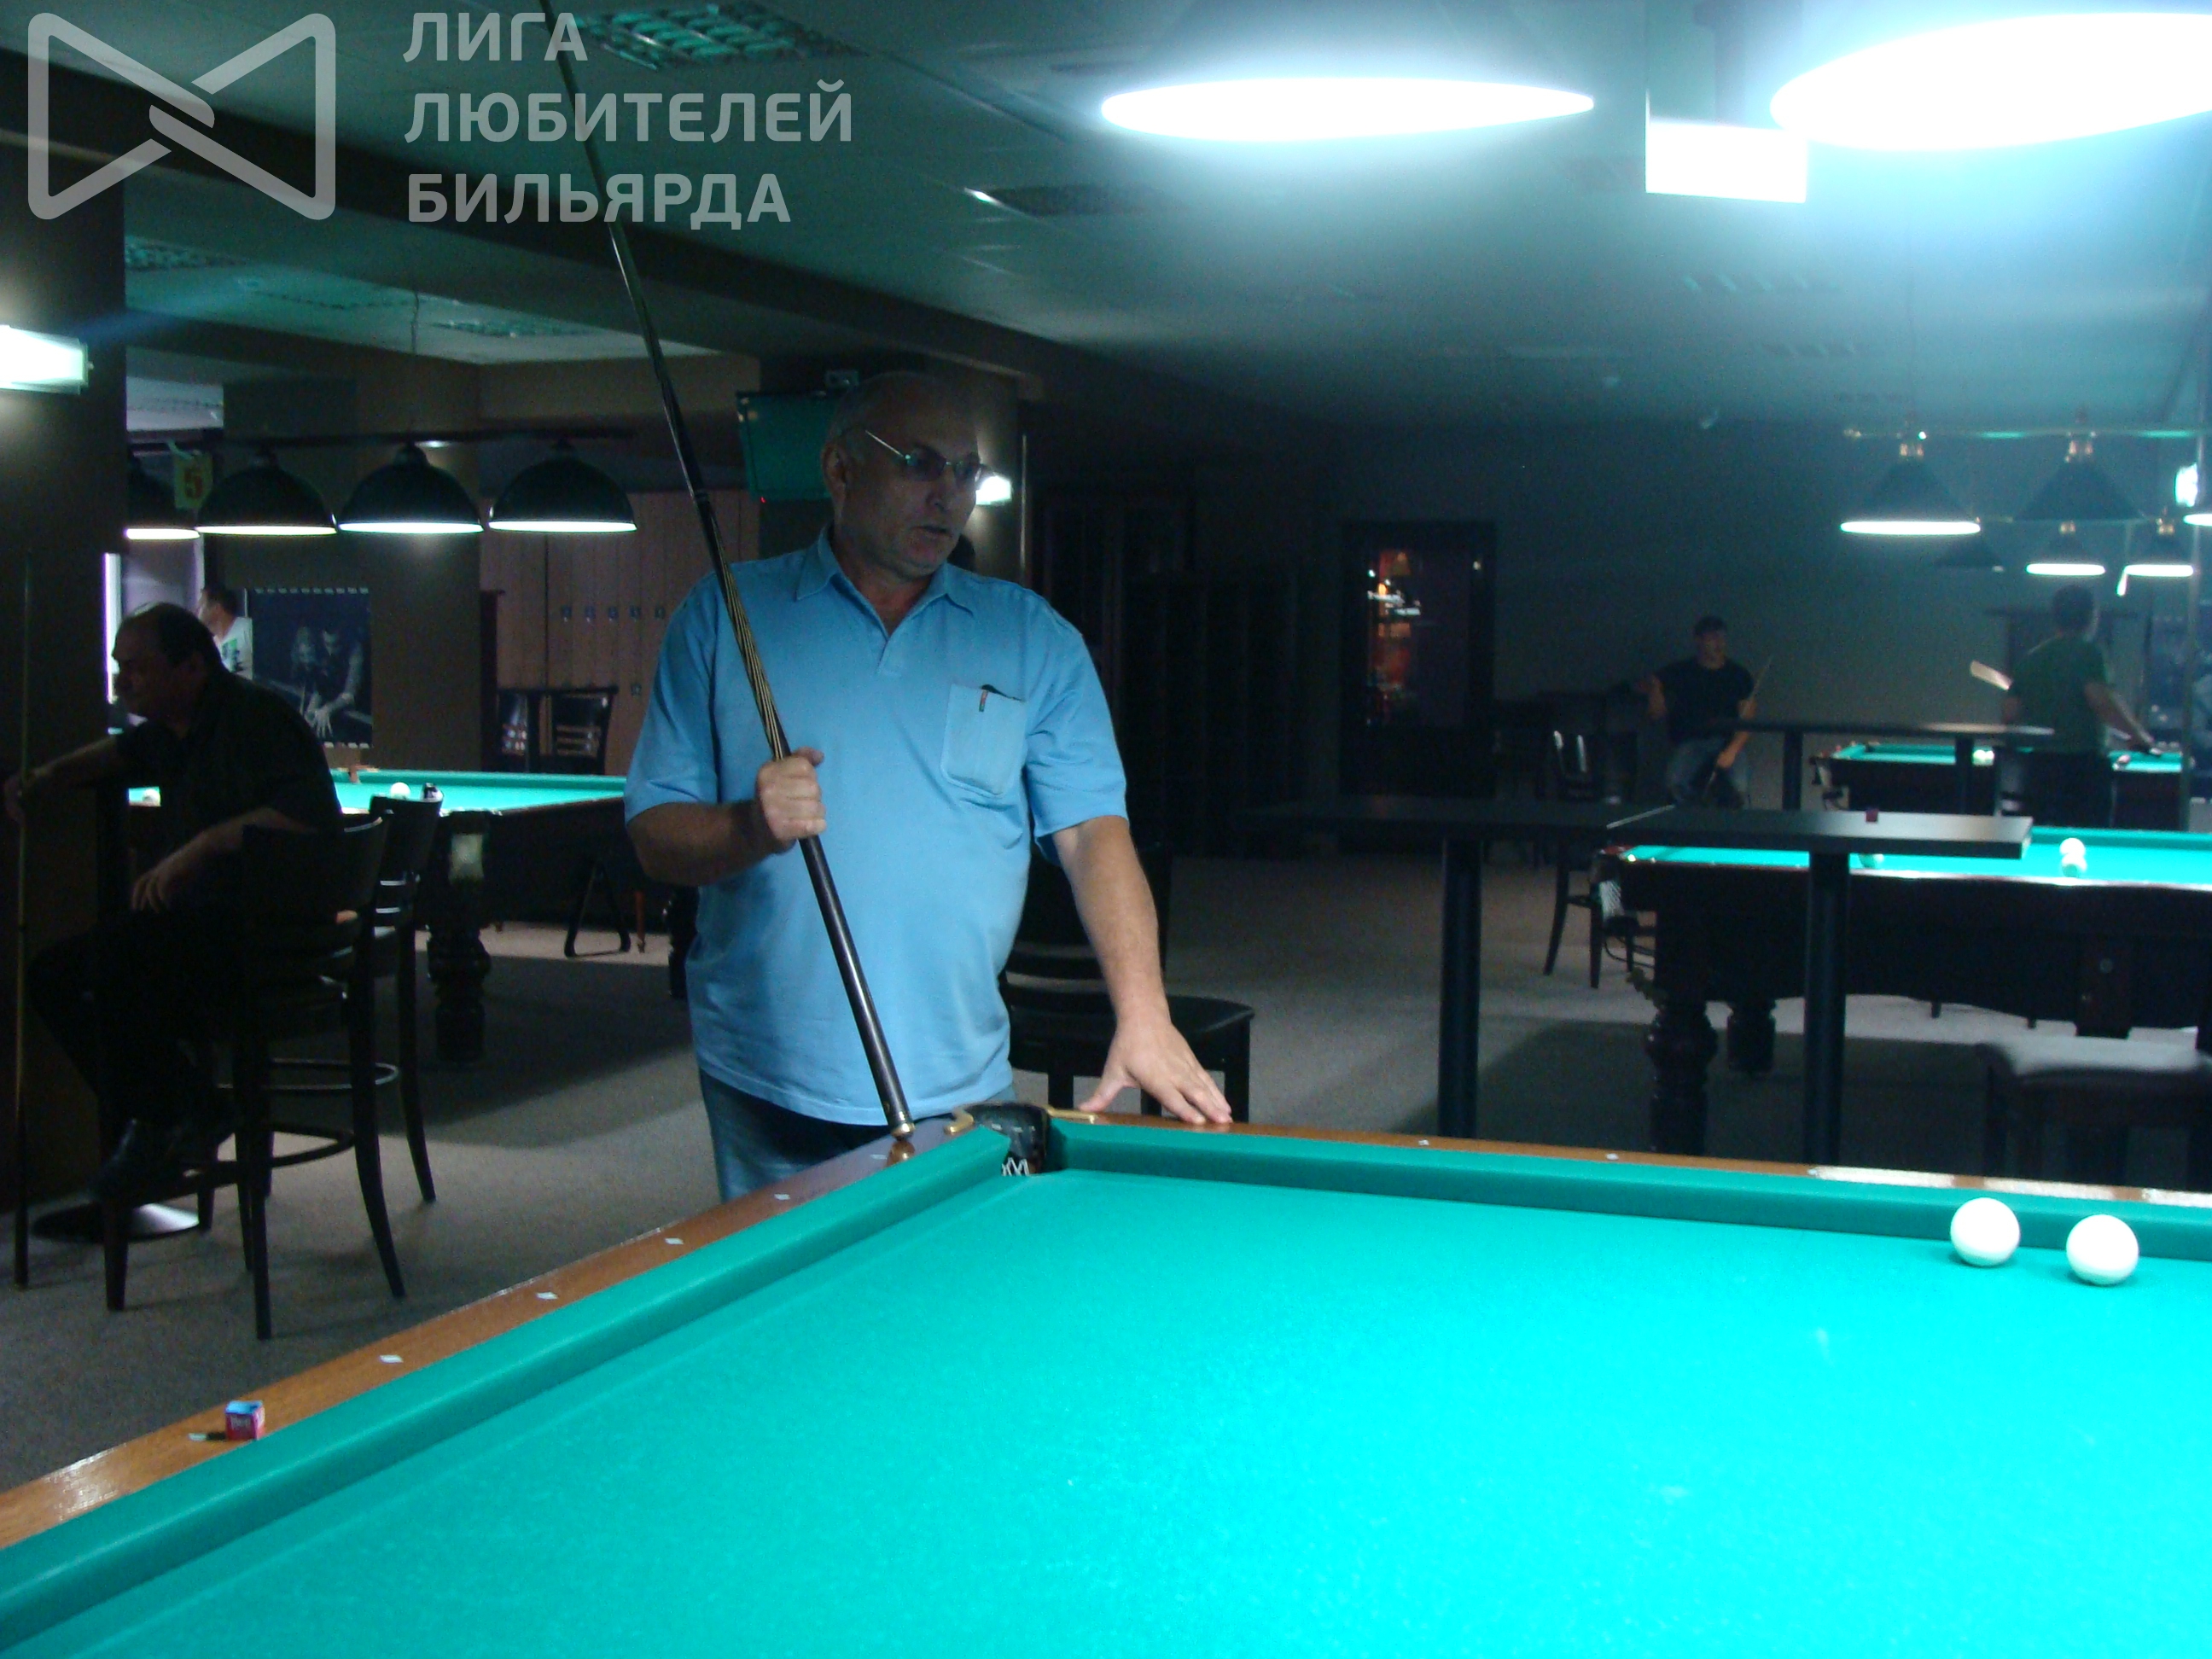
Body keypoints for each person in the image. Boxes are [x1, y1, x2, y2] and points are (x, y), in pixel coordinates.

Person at [626, 371, 1232, 1201]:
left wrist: (1145, 1011)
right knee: (799, 1283)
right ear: (841, 469)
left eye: (966, 471)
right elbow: (654, 833)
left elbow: (1094, 834)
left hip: (962, 1075)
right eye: (919, 463)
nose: (948, 494)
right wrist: (748, 827)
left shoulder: (1033, 639)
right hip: (768, 1075)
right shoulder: (724, 616)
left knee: (966, 1276)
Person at [6, 604, 340, 1202]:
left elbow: (311, 817)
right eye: (118, 666)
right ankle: (180, 1112)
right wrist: (46, 776)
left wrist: (204, 846)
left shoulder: (256, 719)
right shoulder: (170, 728)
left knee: (107, 967)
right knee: (60, 975)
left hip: (269, 937)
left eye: (136, 667)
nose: (122, 681)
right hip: (211, 927)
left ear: (191, 667)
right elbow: (117, 755)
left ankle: (171, 1119)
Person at [2002, 583, 2154, 828]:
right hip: (2083, 769)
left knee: (2041, 835)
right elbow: (2101, 702)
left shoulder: (2031, 659)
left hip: (2039, 769)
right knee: (2092, 837)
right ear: (2093, 617)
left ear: (2055, 617)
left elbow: (2010, 714)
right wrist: (2136, 734)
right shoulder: (2089, 653)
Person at [1642, 616, 1757, 806]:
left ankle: (1731, 822)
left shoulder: (1738, 675)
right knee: (1674, 784)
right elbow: (1652, 684)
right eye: (1712, 638)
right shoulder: (1682, 671)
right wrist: (1655, 691)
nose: (1719, 643)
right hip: (1691, 740)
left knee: (1740, 788)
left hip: (1727, 741)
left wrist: (1732, 750)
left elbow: (1747, 720)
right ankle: (1689, 820)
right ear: (1698, 640)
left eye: (1722, 638)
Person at [196, 584, 253, 678]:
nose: (197, 610)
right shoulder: (210, 646)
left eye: (201, 605)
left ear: (217, 609)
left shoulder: (247, 628)